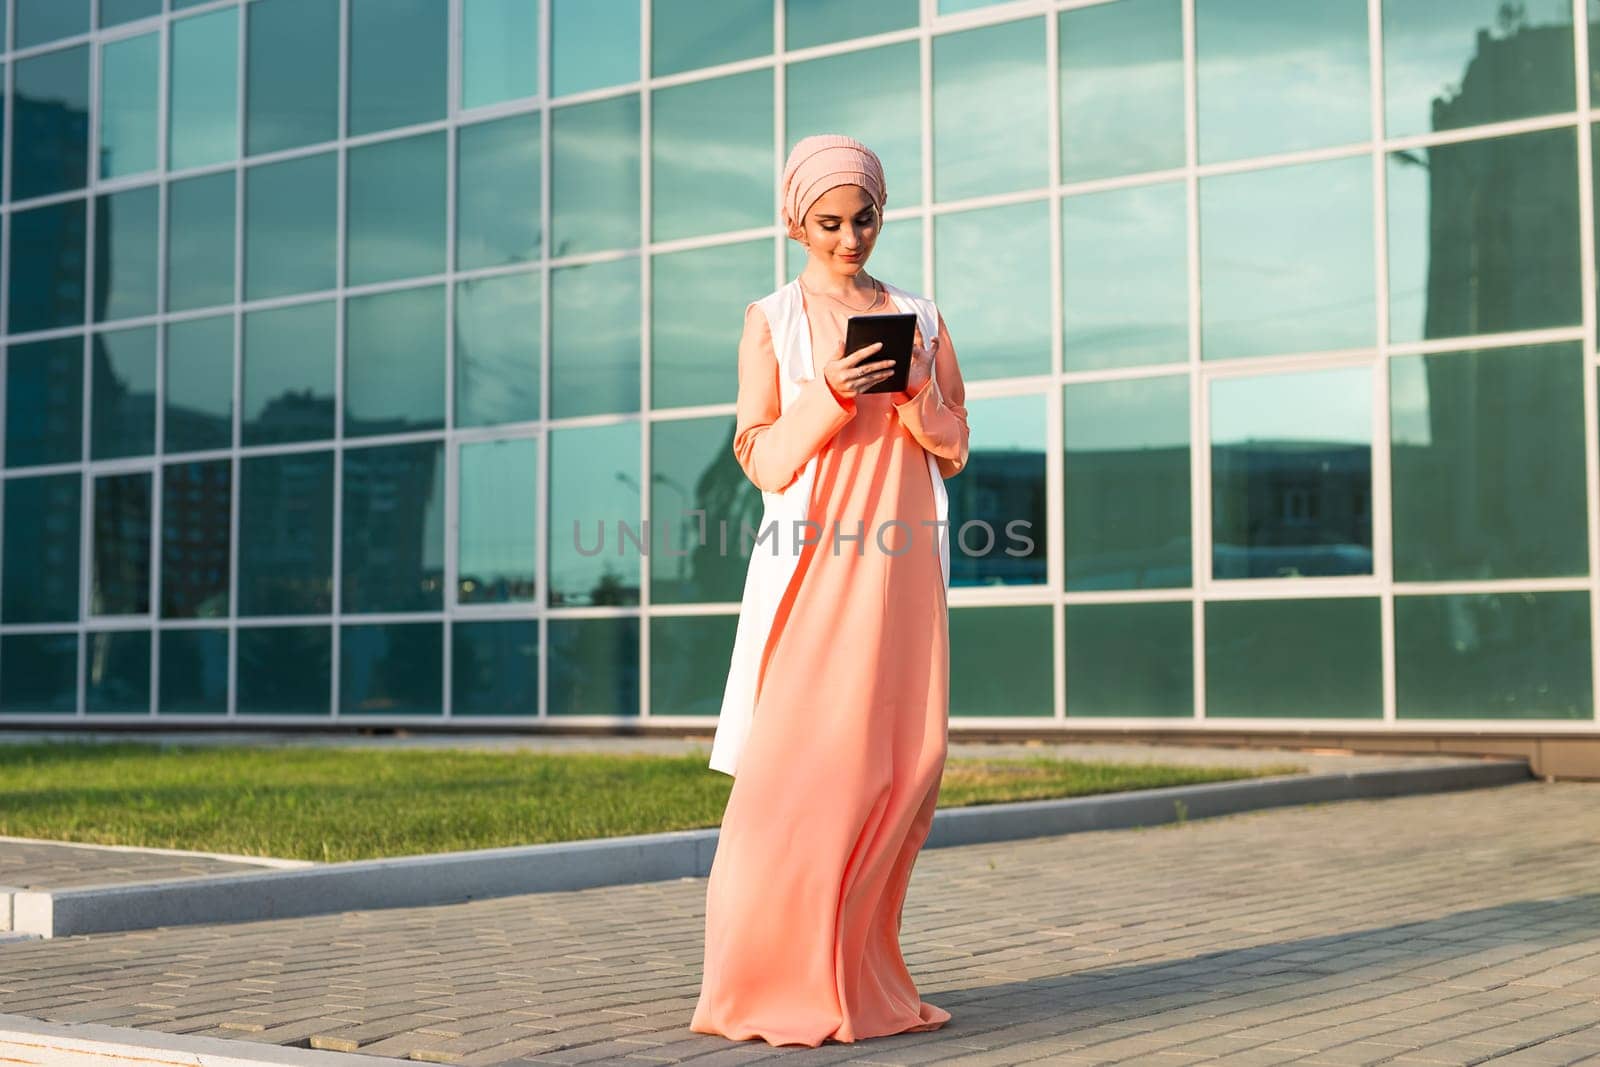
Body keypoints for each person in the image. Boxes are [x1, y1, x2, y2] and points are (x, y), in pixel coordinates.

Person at [689, 133, 970, 1048]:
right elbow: (764, 458)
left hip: (905, 570)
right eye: (830, 223)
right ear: (795, 221)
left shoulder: (921, 316)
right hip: (816, 570)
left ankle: (861, 977)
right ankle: (765, 978)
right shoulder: (771, 319)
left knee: (901, 772)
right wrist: (836, 395)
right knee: (804, 777)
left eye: (866, 220)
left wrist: (920, 391)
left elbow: (956, 444)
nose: (851, 239)